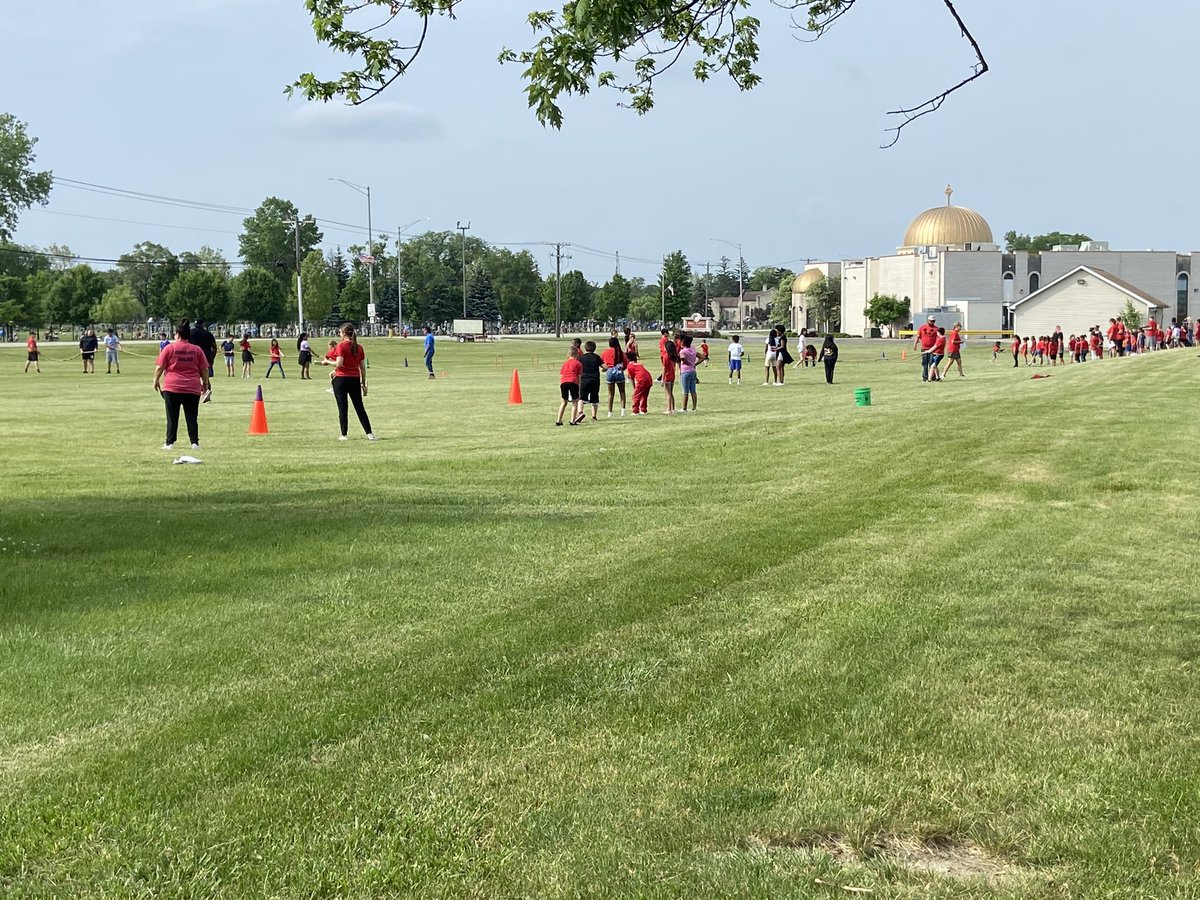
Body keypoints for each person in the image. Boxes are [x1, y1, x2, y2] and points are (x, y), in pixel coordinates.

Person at [153, 320, 211, 450]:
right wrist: (205, 383)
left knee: (172, 417)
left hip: (172, 387)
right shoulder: (197, 350)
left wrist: (156, 380)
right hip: (192, 387)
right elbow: (204, 369)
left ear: (178, 335)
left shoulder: (169, 348)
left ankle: (170, 443)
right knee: (192, 417)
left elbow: (160, 367)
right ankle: (194, 443)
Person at [320, 323, 375, 441]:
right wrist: (363, 382)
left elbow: (339, 363)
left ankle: (344, 434)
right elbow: (362, 367)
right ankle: (369, 433)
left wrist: (327, 362)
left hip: (341, 380)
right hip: (354, 379)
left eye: (340, 332)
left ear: (344, 333)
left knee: (342, 407)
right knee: (359, 407)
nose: (339, 334)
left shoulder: (341, 346)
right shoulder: (359, 347)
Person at [600, 336, 627, 417]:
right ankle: (623, 411)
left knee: (610, 394)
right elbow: (625, 363)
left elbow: (603, 364)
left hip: (610, 371)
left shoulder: (605, 352)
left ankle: (610, 412)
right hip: (619, 371)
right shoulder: (620, 352)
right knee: (622, 392)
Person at [556, 344, 583, 426]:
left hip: (564, 382)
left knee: (564, 401)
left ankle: (558, 420)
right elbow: (579, 377)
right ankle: (572, 420)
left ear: (568, 354)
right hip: (573, 381)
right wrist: (579, 387)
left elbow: (562, 374)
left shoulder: (565, 364)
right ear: (576, 355)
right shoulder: (578, 364)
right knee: (575, 402)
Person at [578, 340, 603, 421]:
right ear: (594, 348)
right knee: (594, 398)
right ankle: (594, 416)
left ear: (585, 348)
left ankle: (580, 412)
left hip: (584, 380)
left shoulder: (582, 357)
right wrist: (603, 370)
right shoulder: (596, 357)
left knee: (581, 397)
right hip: (595, 380)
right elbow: (605, 366)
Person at [679, 334, 700, 412]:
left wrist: (686, 362)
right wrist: (694, 364)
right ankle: (694, 408)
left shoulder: (683, 351)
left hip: (685, 371)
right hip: (693, 371)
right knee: (693, 390)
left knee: (685, 391)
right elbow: (702, 357)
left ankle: (684, 408)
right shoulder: (693, 349)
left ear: (683, 342)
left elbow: (682, 357)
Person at [913, 315, 938, 382]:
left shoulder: (936, 329)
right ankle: (925, 377)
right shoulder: (922, 327)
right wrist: (915, 344)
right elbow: (918, 336)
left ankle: (933, 377)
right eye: (930, 321)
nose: (932, 322)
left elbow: (939, 339)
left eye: (933, 321)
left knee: (932, 363)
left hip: (932, 349)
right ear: (928, 320)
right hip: (924, 348)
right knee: (925, 364)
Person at [662, 338, 678, 414]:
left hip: (667, 375)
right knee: (671, 393)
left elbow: (664, 367)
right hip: (672, 374)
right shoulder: (673, 355)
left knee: (668, 393)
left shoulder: (666, 356)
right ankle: (673, 408)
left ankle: (668, 409)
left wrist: (662, 379)